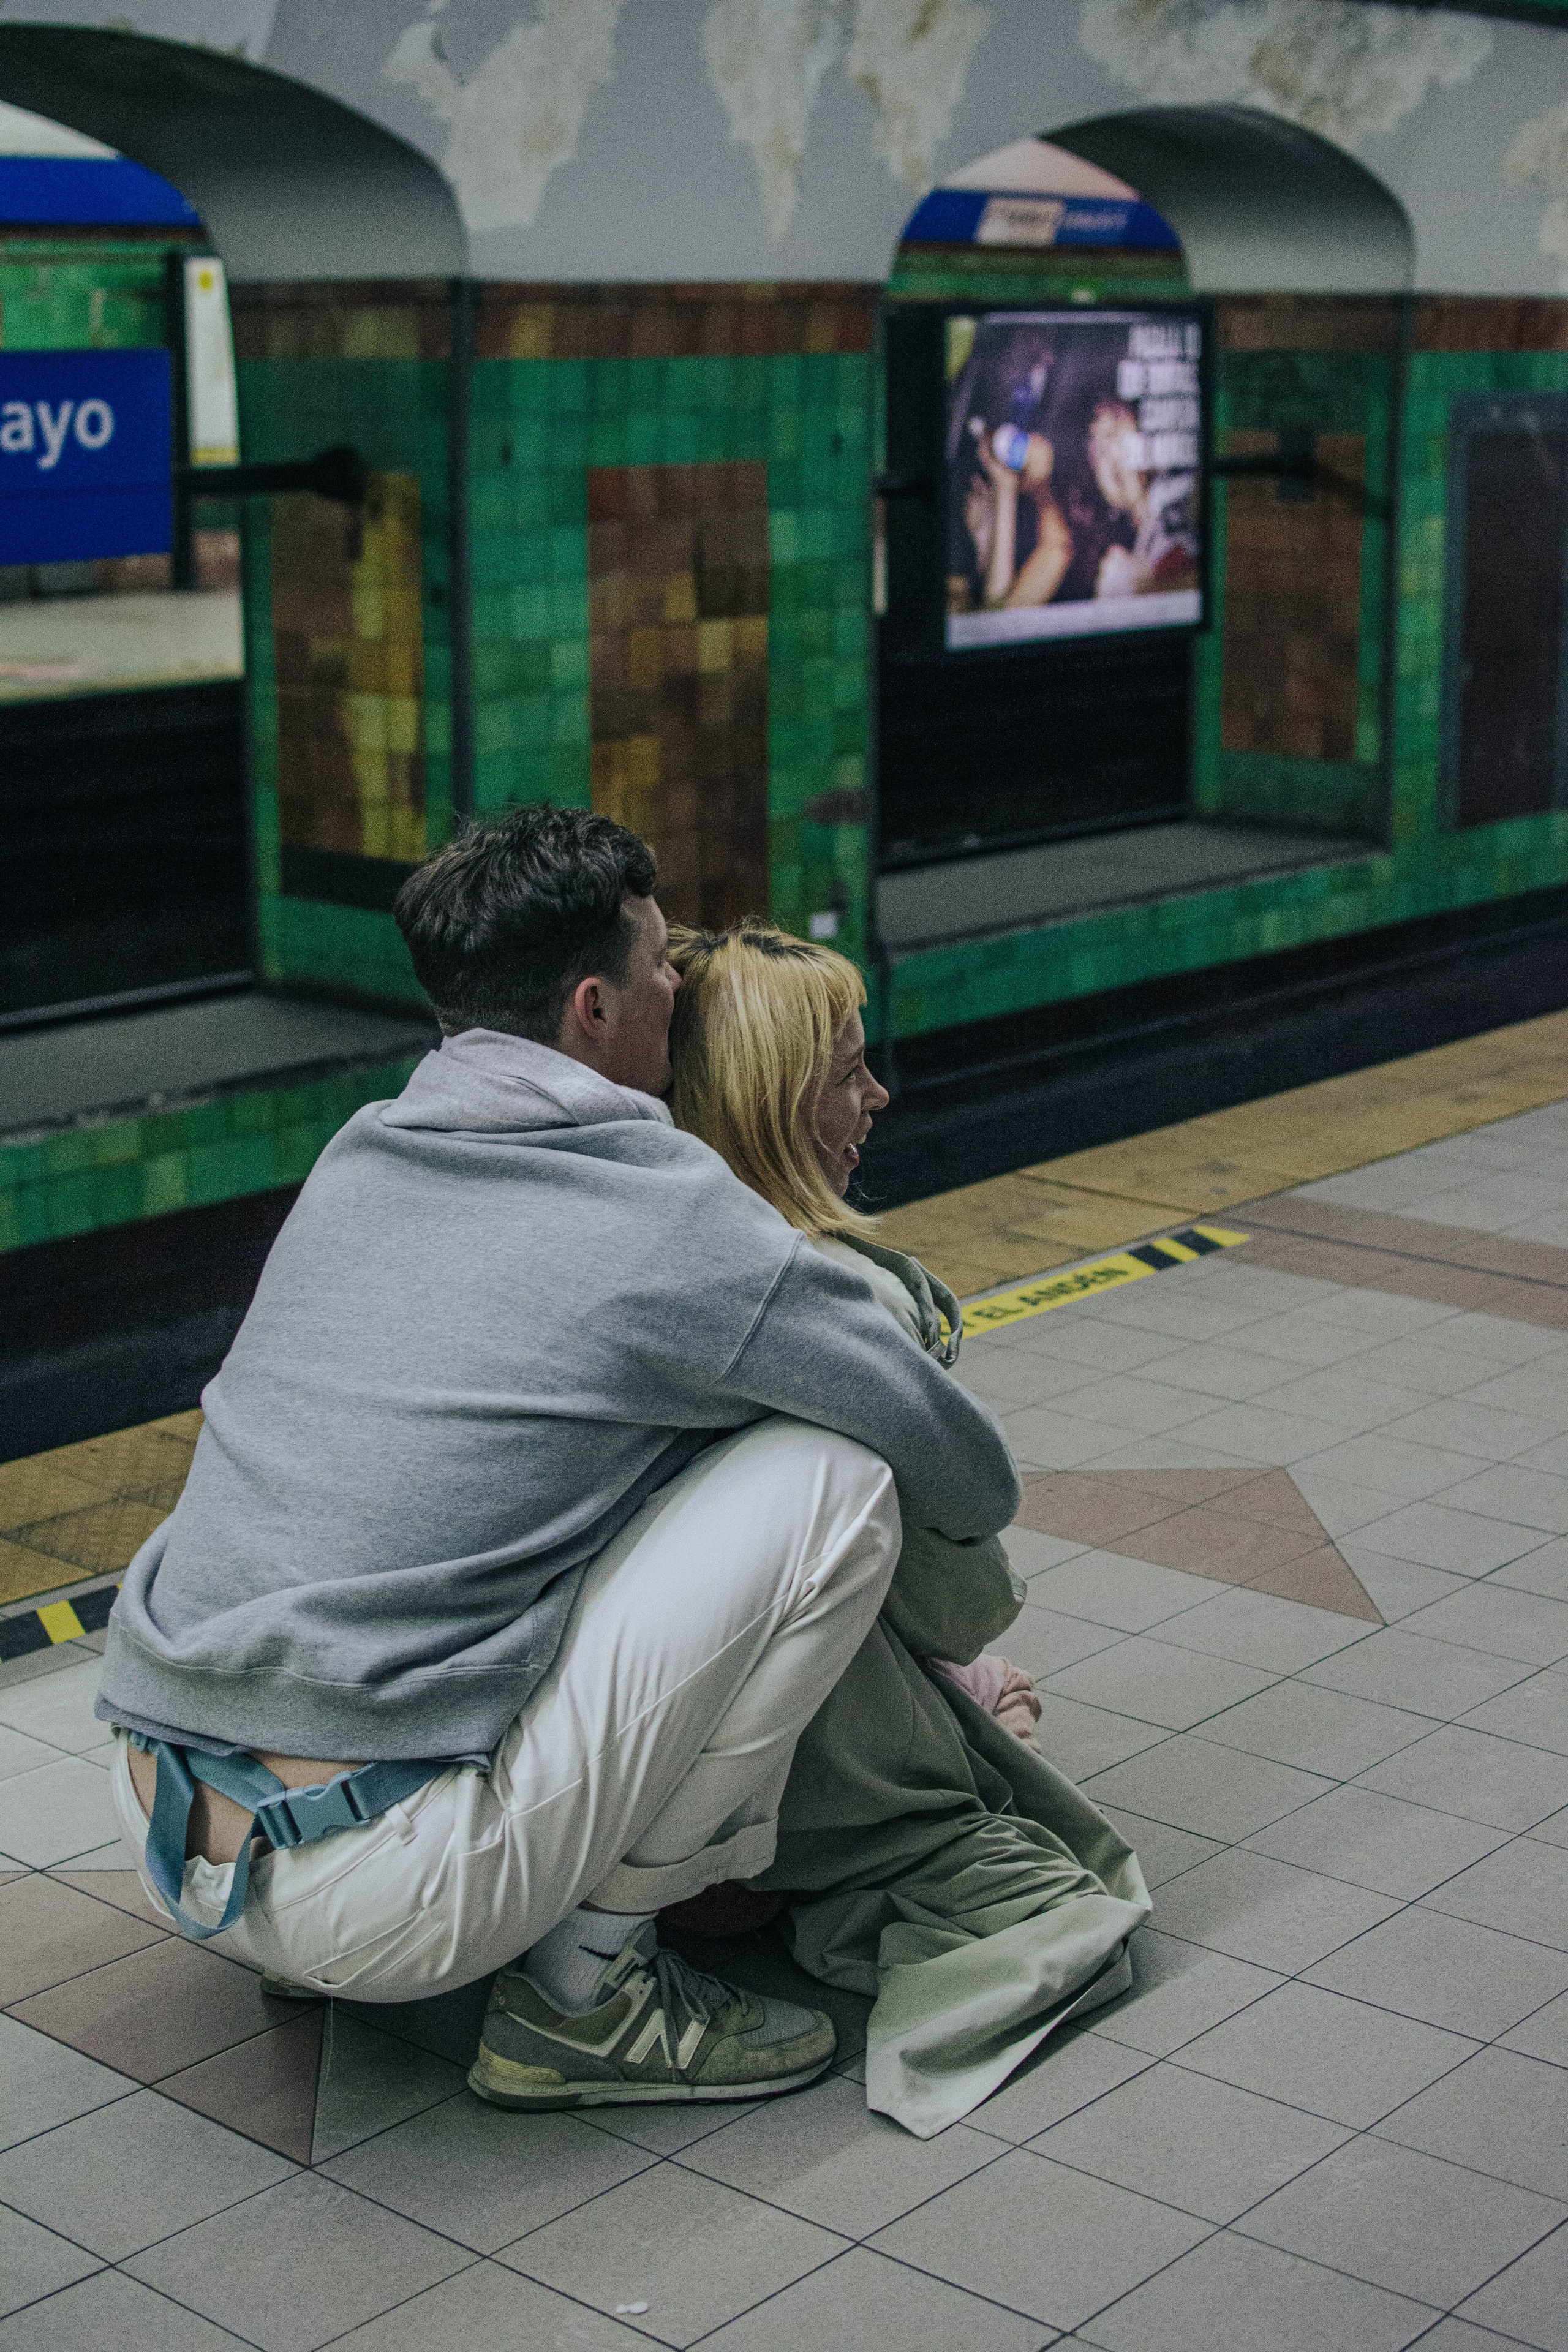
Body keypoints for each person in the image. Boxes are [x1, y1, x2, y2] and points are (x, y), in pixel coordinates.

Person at [95, 805, 1020, 2116]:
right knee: (833, 1474)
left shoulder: (361, 1155)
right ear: (594, 1009)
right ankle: (588, 2001)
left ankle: (331, 1943)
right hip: (377, 1895)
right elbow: (967, 1479)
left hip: (157, 1825)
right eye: (661, 968)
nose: (680, 985)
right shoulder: (674, 1217)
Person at [661, 921, 1151, 2136]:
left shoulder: (628, 1263)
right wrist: (969, 1680)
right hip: (794, 1745)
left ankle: (711, 1878)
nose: (875, 1097)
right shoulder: (859, 1297)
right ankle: (788, 1858)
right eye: (844, 1075)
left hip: (618, 1736)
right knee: (1019, 1809)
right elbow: (951, 1599)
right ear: (773, 1102)